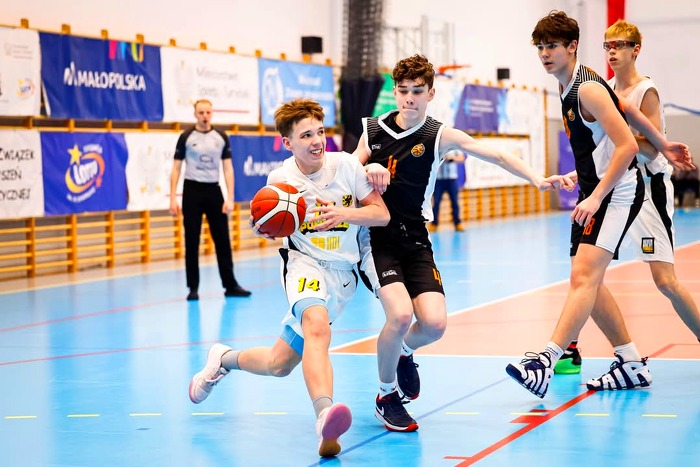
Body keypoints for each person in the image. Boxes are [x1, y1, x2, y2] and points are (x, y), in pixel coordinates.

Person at [353, 54, 560, 431]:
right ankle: (386, 396)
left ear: (431, 94)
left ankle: (404, 352)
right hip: (377, 237)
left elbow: (495, 154)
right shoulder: (373, 129)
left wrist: (537, 178)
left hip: (416, 238)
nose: (410, 98)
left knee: (433, 324)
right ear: (395, 92)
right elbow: (349, 173)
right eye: (403, 91)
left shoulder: (438, 134)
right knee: (400, 315)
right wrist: (367, 167)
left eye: (418, 91)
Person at [506, 11, 694, 398]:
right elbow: (624, 109)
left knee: (590, 278)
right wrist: (662, 143)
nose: (545, 54)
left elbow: (625, 146)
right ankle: (630, 362)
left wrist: (596, 195)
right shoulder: (577, 84)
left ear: (572, 46)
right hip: (596, 189)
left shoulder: (587, 88)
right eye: (540, 47)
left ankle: (546, 360)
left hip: (618, 191)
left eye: (552, 46)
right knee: (587, 281)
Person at [188, 99, 390, 457]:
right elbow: (269, 224)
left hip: (343, 276)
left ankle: (224, 359)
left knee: (279, 364)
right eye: (306, 135)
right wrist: (265, 227)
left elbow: (381, 214)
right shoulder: (280, 180)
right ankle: (324, 416)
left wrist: (344, 213)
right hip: (303, 265)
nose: (317, 141)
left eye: (320, 132)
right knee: (317, 327)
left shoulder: (346, 166)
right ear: (287, 142)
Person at [553, 19, 700, 376]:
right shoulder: (599, 88)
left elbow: (647, 149)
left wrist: (622, 135)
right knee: (585, 272)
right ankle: (573, 349)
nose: (612, 51)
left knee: (665, 281)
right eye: (607, 45)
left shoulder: (645, 90)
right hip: (615, 188)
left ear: (636, 49)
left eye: (620, 45)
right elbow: (602, 149)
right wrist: (580, 173)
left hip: (647, 189)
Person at [169, 99, 251, 301]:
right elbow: (176, 168)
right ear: (195, 114)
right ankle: (193, 288)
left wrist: (230, 198)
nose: (205, 116)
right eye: (201, 112)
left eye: (208, 112)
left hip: (214, 190)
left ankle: (230, 285)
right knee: (192, 240)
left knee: (223, 240)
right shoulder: (186, 137)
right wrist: (172, 197)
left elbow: (228, 168)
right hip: (192, 191)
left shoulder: (221, 137)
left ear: (211, 113)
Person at [429, 150, 466, 231]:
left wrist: (451, 158)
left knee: (455, 202)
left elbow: (462, 158)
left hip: (452, 179)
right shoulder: (436, 147)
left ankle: (457, 223)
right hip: (438, 179)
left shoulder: (454, 148)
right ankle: (434, 224)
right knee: (436, 202)